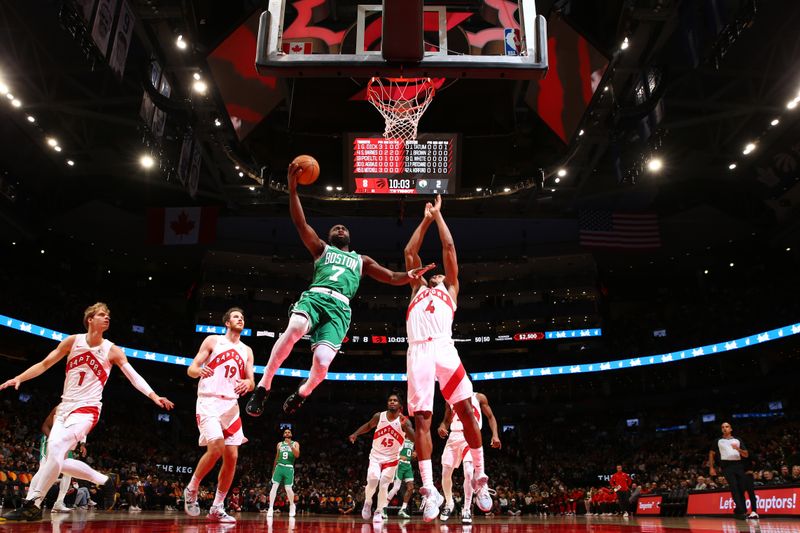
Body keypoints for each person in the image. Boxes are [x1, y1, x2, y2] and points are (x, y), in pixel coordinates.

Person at [246, 162, 434, 417]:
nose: (340, 228)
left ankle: (303, 392)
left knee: (322, 363)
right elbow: (301, 224)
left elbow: (391, 277)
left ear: (350, 237)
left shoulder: (361, 261)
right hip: (316, 297)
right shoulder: (321, 249)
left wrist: (410, 274)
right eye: (336, 227)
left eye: (344, 228)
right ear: (330, 235)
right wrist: (292, 192)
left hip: (340, 309)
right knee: (295, 328)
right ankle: (264, 385)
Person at [0, 302, 173, 521]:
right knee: (55, 458)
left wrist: (154, 395)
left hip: (87, 409)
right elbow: (45, 364)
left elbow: (133, 375)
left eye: (108, 315)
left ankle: (32, 504)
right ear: (90, 319)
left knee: (56, 447)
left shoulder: (112, 350)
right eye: (102, 315)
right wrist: (19, 378)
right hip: (64, 407)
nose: (107, 318)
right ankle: (104, 480)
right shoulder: (73, 341)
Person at [403, 195, 493, 522]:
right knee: (423, 420)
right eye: (435, 274)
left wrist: (439, 217)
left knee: (467, 409)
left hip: (444, 346)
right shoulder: (416, 287)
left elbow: (449, 249)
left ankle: (481, 480)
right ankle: (429, 491)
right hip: (419, 351)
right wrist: (424, 220)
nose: (439, 274)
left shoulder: (451, 288)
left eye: (442, 274)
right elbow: (410, 253)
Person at [183, 307, 255, 523]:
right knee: (215, 448)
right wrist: (199, 370)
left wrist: (248, 384)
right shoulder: (213, 341)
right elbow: (192, 369)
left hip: (231, 406)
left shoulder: (247, 350)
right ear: (226, 322)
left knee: (232, 457)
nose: (240, 319)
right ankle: (192, 487)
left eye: (242, 317)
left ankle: (217, 507)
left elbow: (251, 381)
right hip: (209, 401)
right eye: (236, 316)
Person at [348, 393, 415, 524]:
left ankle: (379, 511)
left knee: (384, 484)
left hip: (392, 459)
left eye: (395, 400)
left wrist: (406, 426)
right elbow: (368, 426)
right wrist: (355, 434)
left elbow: (414, 438)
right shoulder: (379, 416)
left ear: (400, 405)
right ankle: (368, 502)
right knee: (373, 480)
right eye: (390, 400)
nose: (392, 402)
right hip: (376, 456)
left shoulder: (405, 421)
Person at [437, 391, 501, 524]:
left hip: (471, 435)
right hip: (454, 436)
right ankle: (449, 503)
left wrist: (495, 435)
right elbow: (447, 420)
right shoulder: (450, 399)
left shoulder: (479, 397)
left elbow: (491, 417)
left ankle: (466, 509)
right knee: (445, 472)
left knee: (468, 471)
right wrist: (442, 427)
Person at [709, 421, 757, 520]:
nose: (724, 428)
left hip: (739, 465)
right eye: (722, 427)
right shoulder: (718, 441)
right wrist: (711, 467)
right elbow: (711, 454)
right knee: (734, 486)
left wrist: (738, 449)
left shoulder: (738, 440)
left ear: (731, 429)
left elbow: (746, 454)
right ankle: (742, 511)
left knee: (741, 488)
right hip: (727, 466)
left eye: (727, 426)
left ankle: (739, 510)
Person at [267, 427, 300, 517]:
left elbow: (297, 455)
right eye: (285, 432)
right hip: (279, 467)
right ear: (283, 434)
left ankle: (292, 505)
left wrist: (290, 445)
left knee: (288, 488)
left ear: (291, 434)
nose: (287, 433)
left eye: (289, 432)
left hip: (289, 467)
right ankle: (270, 508)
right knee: (274, 487)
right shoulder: (279, 444)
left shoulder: (295, 443)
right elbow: (277, 457)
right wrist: (273, 469)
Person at [386, 439, 415, 518]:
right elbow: (391, 451)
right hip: (400, 464)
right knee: (396, 488)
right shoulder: (400, 438)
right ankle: (383, 508)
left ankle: (403, 509)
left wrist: (414, 454)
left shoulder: (413, 440)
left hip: (408, 465)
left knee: (411, 488)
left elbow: (410, 453)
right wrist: (399, 456)